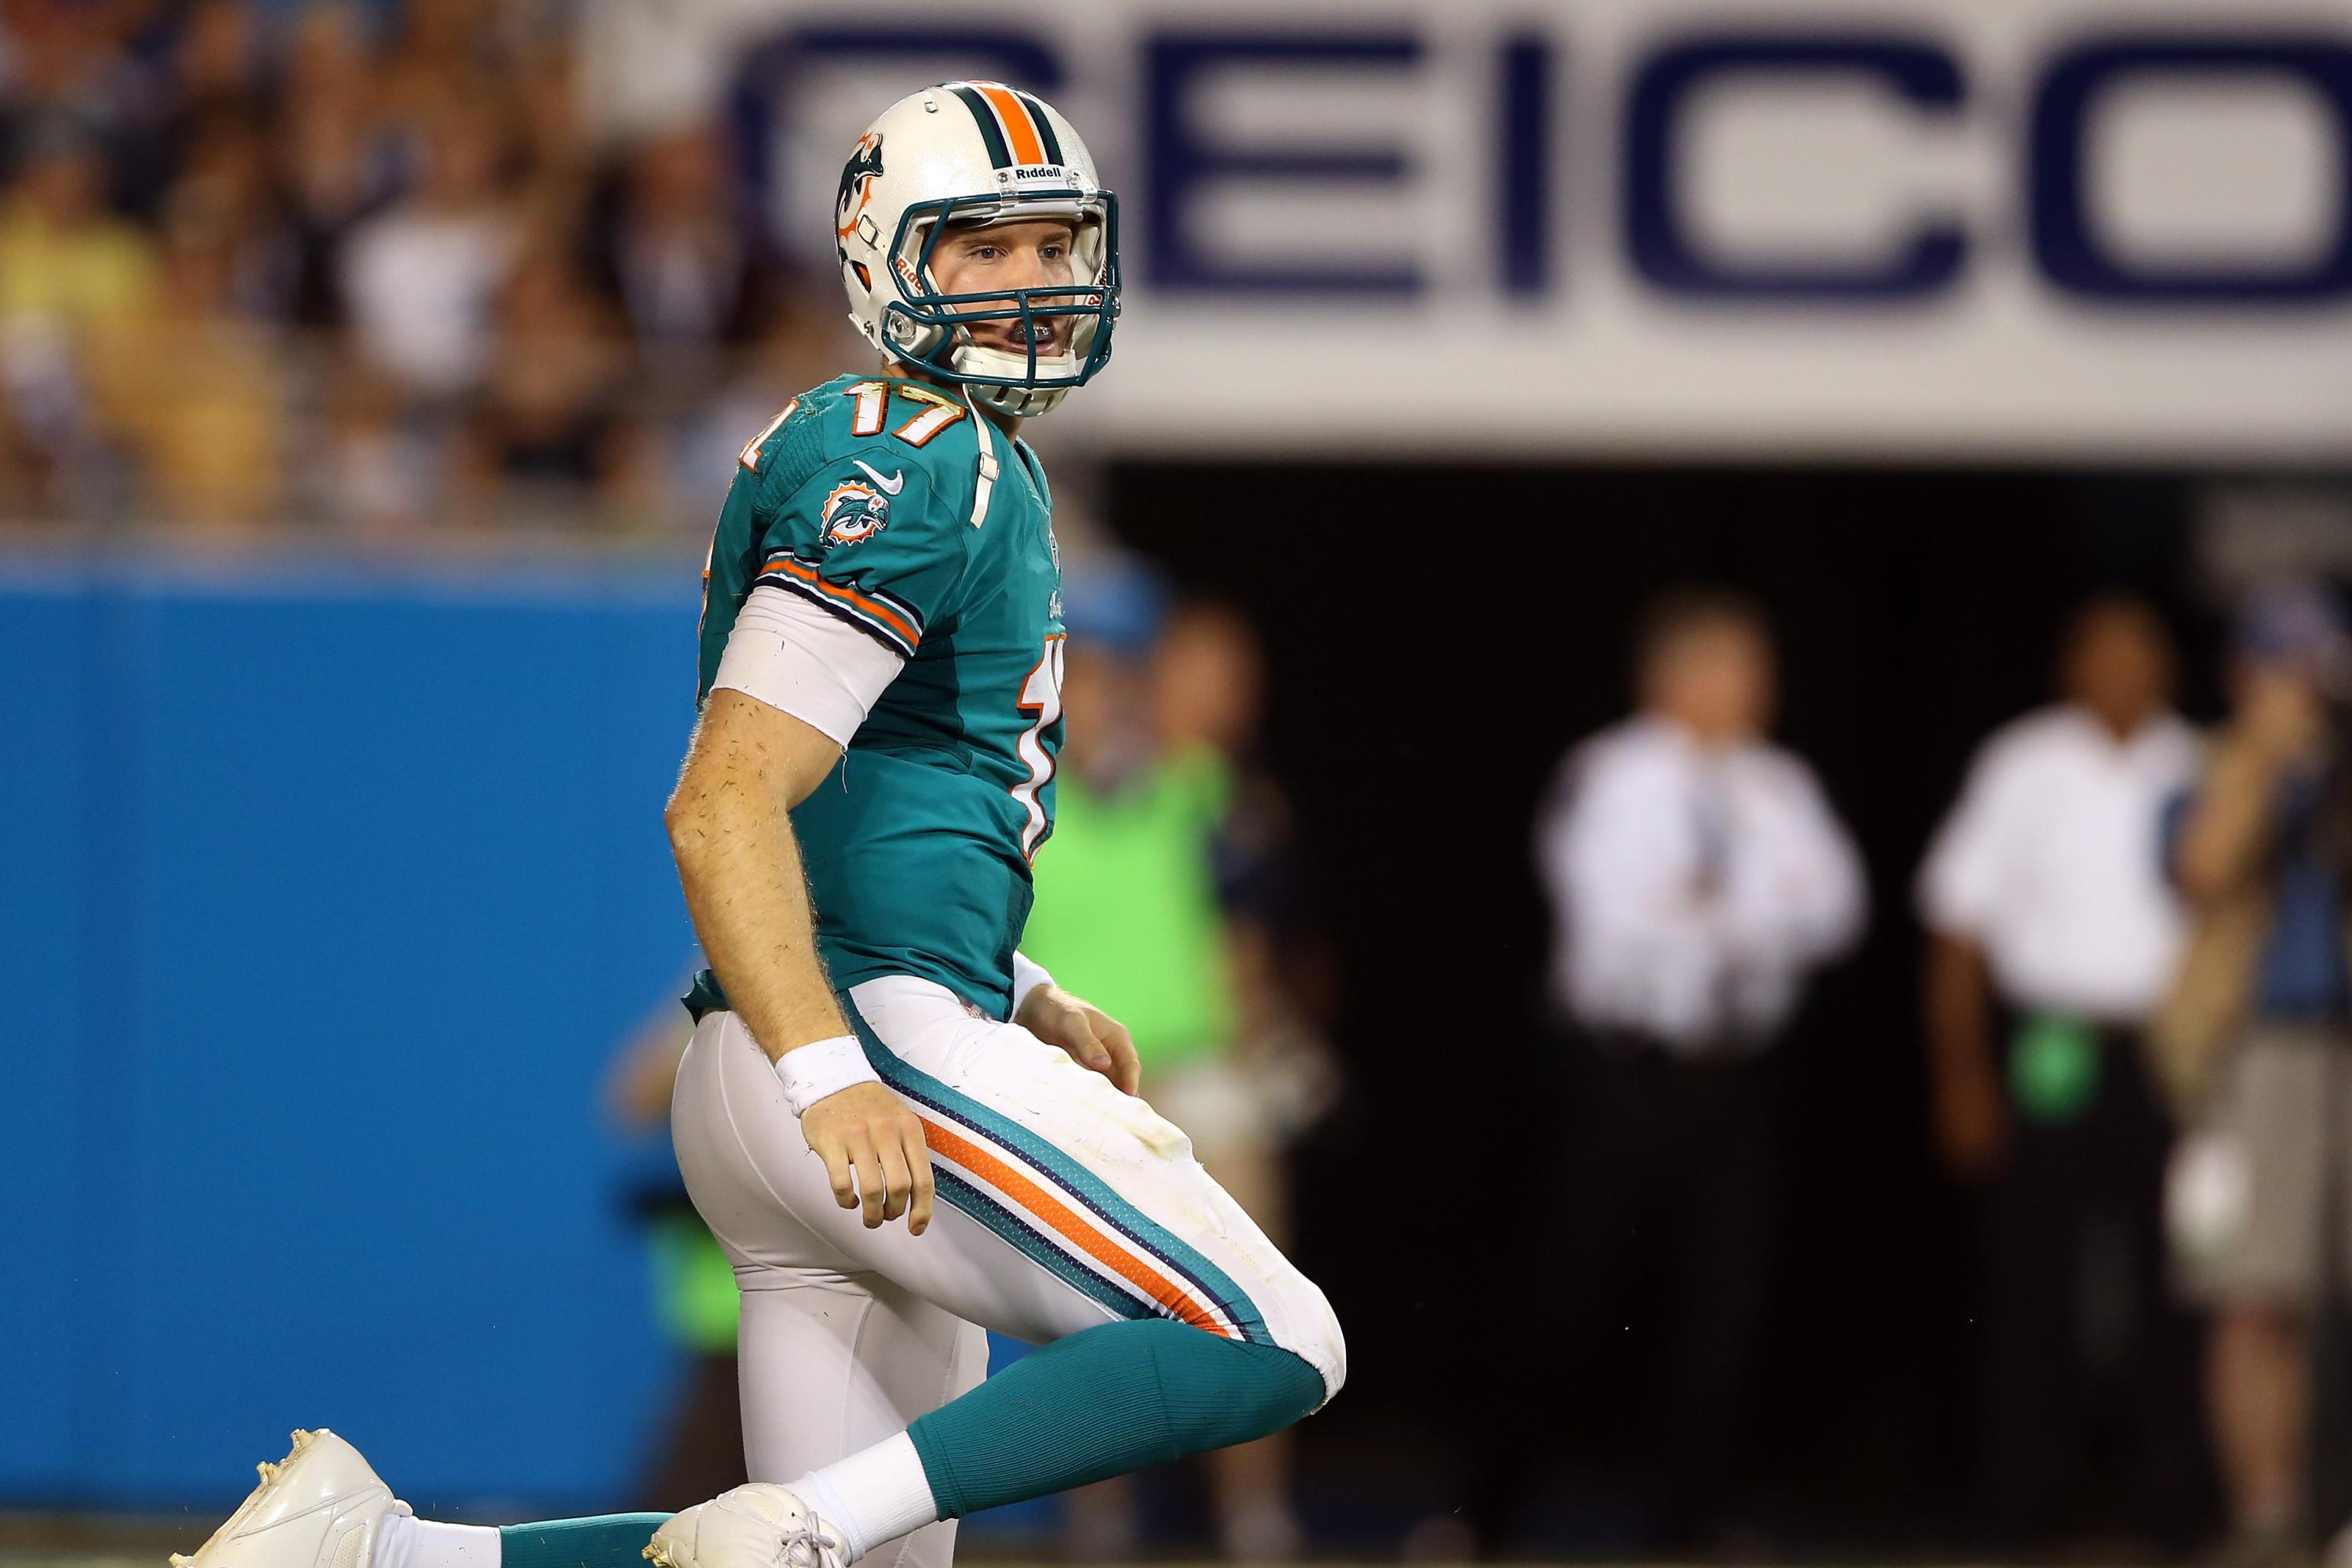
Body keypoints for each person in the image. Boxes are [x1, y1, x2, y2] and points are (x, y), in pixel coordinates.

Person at [174, 82, 1343, 1568]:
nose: (1035, 280)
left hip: (822, 1037)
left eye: (1055, 242)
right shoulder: (923, 454)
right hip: (858, 1042)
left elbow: (872, 797)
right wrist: (830, 1065)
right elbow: (723, 797)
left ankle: (380, 1554)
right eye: (984, 248)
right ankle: (794, 1520)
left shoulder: (949, 455)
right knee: (1273, 1332)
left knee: (841, 1552)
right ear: (881, 258)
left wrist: (1025, 988)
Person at [1513, 587, 1865, 1548]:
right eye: (1738, 666)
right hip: (1623, 1073)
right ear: (1673, 674)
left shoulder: (1777, 785)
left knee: (1724, 1310)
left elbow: (1836, 906)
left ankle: (1688, 1525)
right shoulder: (1611, 775)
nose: (1758, 687)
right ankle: (1496, 1511)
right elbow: (1617, 926)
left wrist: (1718, 910)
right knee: (1573, 1297)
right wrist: (1755, 914)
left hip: (1732, 1079)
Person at [1916, 593, 2208, 1549]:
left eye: (2140, 652)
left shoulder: (2199, 763)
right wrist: (1962, 1076)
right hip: (2057, 1041)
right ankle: (2020, 1509)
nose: (2121, 671)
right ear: (2069, 667)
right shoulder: (2024, 762)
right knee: (2033, 1273)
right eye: (2101, 653)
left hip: (2170, 1049)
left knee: (2180, 1276)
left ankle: (2174, 1510)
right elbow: (1959, 926)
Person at [2158, 581, 2352, 1568]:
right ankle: (2267, 1514)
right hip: (2257, 1051)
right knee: (2254, 1288)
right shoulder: (2210, 769)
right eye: (2284, 666)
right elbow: (2200, 871)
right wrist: (2270, 765)